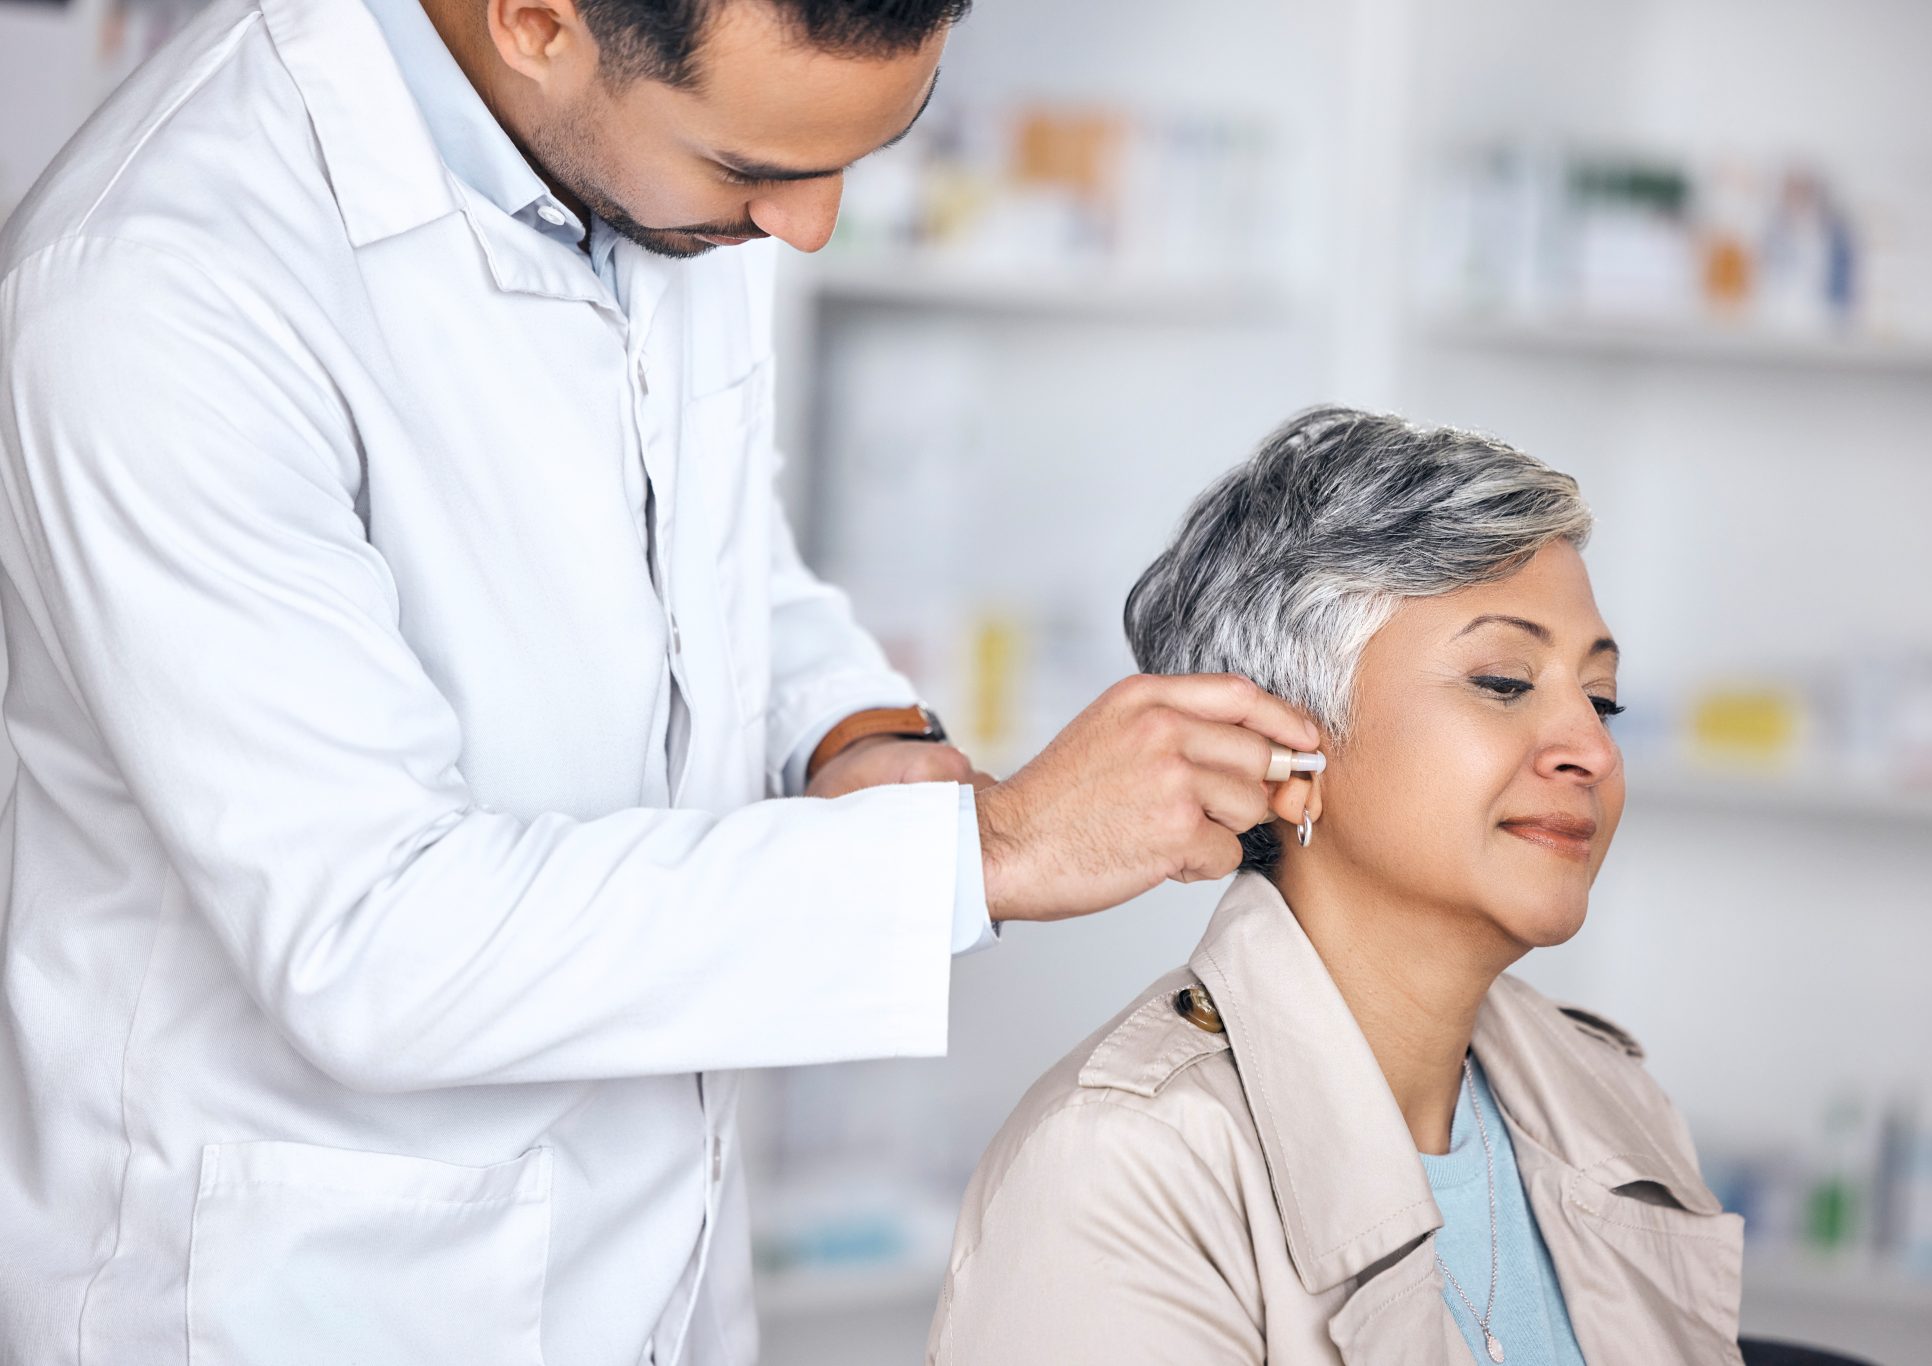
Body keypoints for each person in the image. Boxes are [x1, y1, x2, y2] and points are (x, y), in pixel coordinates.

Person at [0, 0, 1320, 1361]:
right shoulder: (162, 290)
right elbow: (373, 941)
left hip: (639, 1256)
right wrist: (989, 851)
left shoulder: (644, 164)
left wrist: (850, 728)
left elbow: (711, 557)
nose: (810, 228)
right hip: (300, 1290)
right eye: (757, 173)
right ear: (534, 21)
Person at [929, 408, 1746, 1366]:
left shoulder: (1611, 1100)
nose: (1593, 751)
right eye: (1502, 681)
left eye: (1601, 699)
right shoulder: (1122, 1166)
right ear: (1283, 748)